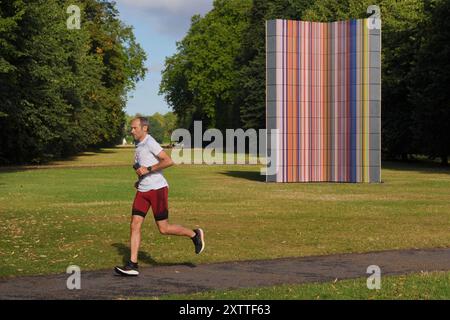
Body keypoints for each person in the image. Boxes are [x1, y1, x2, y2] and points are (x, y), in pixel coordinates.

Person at [115, 117, 204, 276]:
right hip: (143, 190)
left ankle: (194, 234)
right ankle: (133, 264)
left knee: (163, 229)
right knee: (135, 224)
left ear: (144, 129)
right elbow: (142, 168)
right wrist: (140, 179)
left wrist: (148, 169)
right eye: (131, 128)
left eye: (134, 128)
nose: (131, 131)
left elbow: (168, 161)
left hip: (157, 189)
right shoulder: (138, 145)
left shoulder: (150, 142)